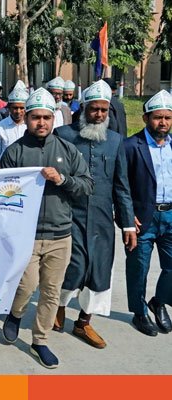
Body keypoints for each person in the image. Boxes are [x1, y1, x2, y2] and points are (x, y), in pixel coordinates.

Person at [0, 88, 93, 369]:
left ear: (53, 119)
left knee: (51, 291)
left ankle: (40, 340)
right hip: (26, 236)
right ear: (26, 118)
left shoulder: (67, 150)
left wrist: (63, 179)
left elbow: (87, 185)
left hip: (60, 235)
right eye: (35, 117)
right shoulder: (14, 152)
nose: (41, 122)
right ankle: (15, 314)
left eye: (46, 117)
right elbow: (2, 193)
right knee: (26, 286)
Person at [54, 80, 136, 348]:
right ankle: (57, 308)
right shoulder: (63, 135)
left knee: (99, 270)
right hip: (69, 214)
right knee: (72, 266)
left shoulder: (115, 141)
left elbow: (122, 186)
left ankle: (83, 322)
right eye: (94, 109)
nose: (99, 115)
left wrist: (128, 224)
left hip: (101, 217)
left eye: (104, 110)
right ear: (83, 108)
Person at [123, 90, 172, 336]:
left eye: (167, 117)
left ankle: (159, 301)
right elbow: (120, 185)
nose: (163, 122)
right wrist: (126, 215)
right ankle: (139, 312)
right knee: (138, 268)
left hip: (170, 215)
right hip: (142, 218)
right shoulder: (131, 146)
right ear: (145, 118)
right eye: (157, 117)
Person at [0, 85, 29, 166]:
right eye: (15, 108)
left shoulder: (29, 126)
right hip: (6, 168)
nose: (18, 111)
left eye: (21, 108)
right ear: (9, 108)